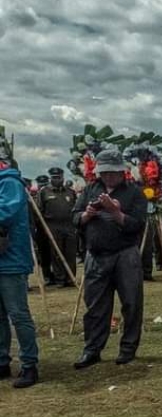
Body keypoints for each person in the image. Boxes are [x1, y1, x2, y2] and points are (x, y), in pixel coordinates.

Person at [73, 148, 148, 368]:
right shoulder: (89, 190)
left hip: (125, 254)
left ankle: (128, 348)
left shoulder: (135, 193)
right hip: (96, 255)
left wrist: (116, 213)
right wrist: (87, 215)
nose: (108, 176)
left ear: (122, 171)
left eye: (113, 172)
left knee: (132, 303)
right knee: (95, 306)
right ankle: (92, 350)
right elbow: (74, 217)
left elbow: (138, 224)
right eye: (104, 172)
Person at [0, 146, 40, 388]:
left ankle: (29, 364)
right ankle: (2, 360)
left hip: (11, 260)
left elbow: (6, 212)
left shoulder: (10, 182)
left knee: (18, 314)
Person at [34, 166, 78, 287]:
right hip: (52, 225)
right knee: (56, 253)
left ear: (63, 178)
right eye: (54, 178)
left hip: (69, 225)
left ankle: (70, 278)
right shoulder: (44, 192)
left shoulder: (70, 192)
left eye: (59, 177)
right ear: (50, 178)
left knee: (70, 253)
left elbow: (76, 208)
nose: (57, 180)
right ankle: (60, 279)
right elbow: (39, 211)